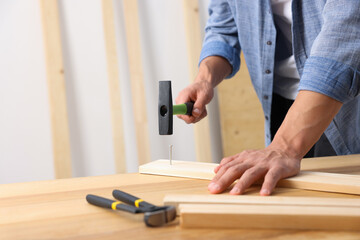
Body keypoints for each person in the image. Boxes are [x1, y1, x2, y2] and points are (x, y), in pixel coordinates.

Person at [176, 0, 360, 196]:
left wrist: (284, 147)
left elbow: (345, 36)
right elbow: (223, 28)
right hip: (280, 102)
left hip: (348, 105)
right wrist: (204, 79)